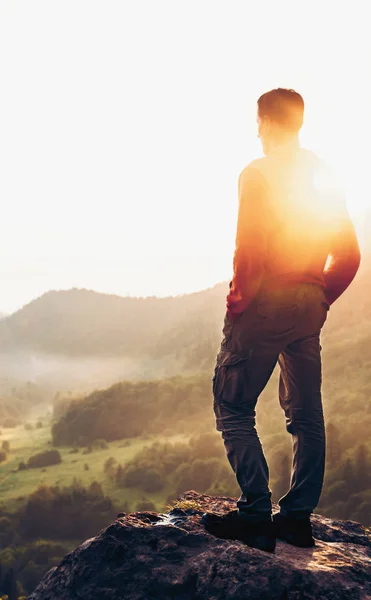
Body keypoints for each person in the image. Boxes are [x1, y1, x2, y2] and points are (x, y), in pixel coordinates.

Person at [201, 88, 361, 553]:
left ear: (267, 122)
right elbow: (349, 253)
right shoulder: (323, 173)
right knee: (307, 413)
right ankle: (296, 520)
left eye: (257, 122)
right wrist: (321, 298)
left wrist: (238, 301)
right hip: (310, 302)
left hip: (264, 302)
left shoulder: (258, 173)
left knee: (232, 406)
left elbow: (249, 249)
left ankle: (254, 514)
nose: (256, 130)